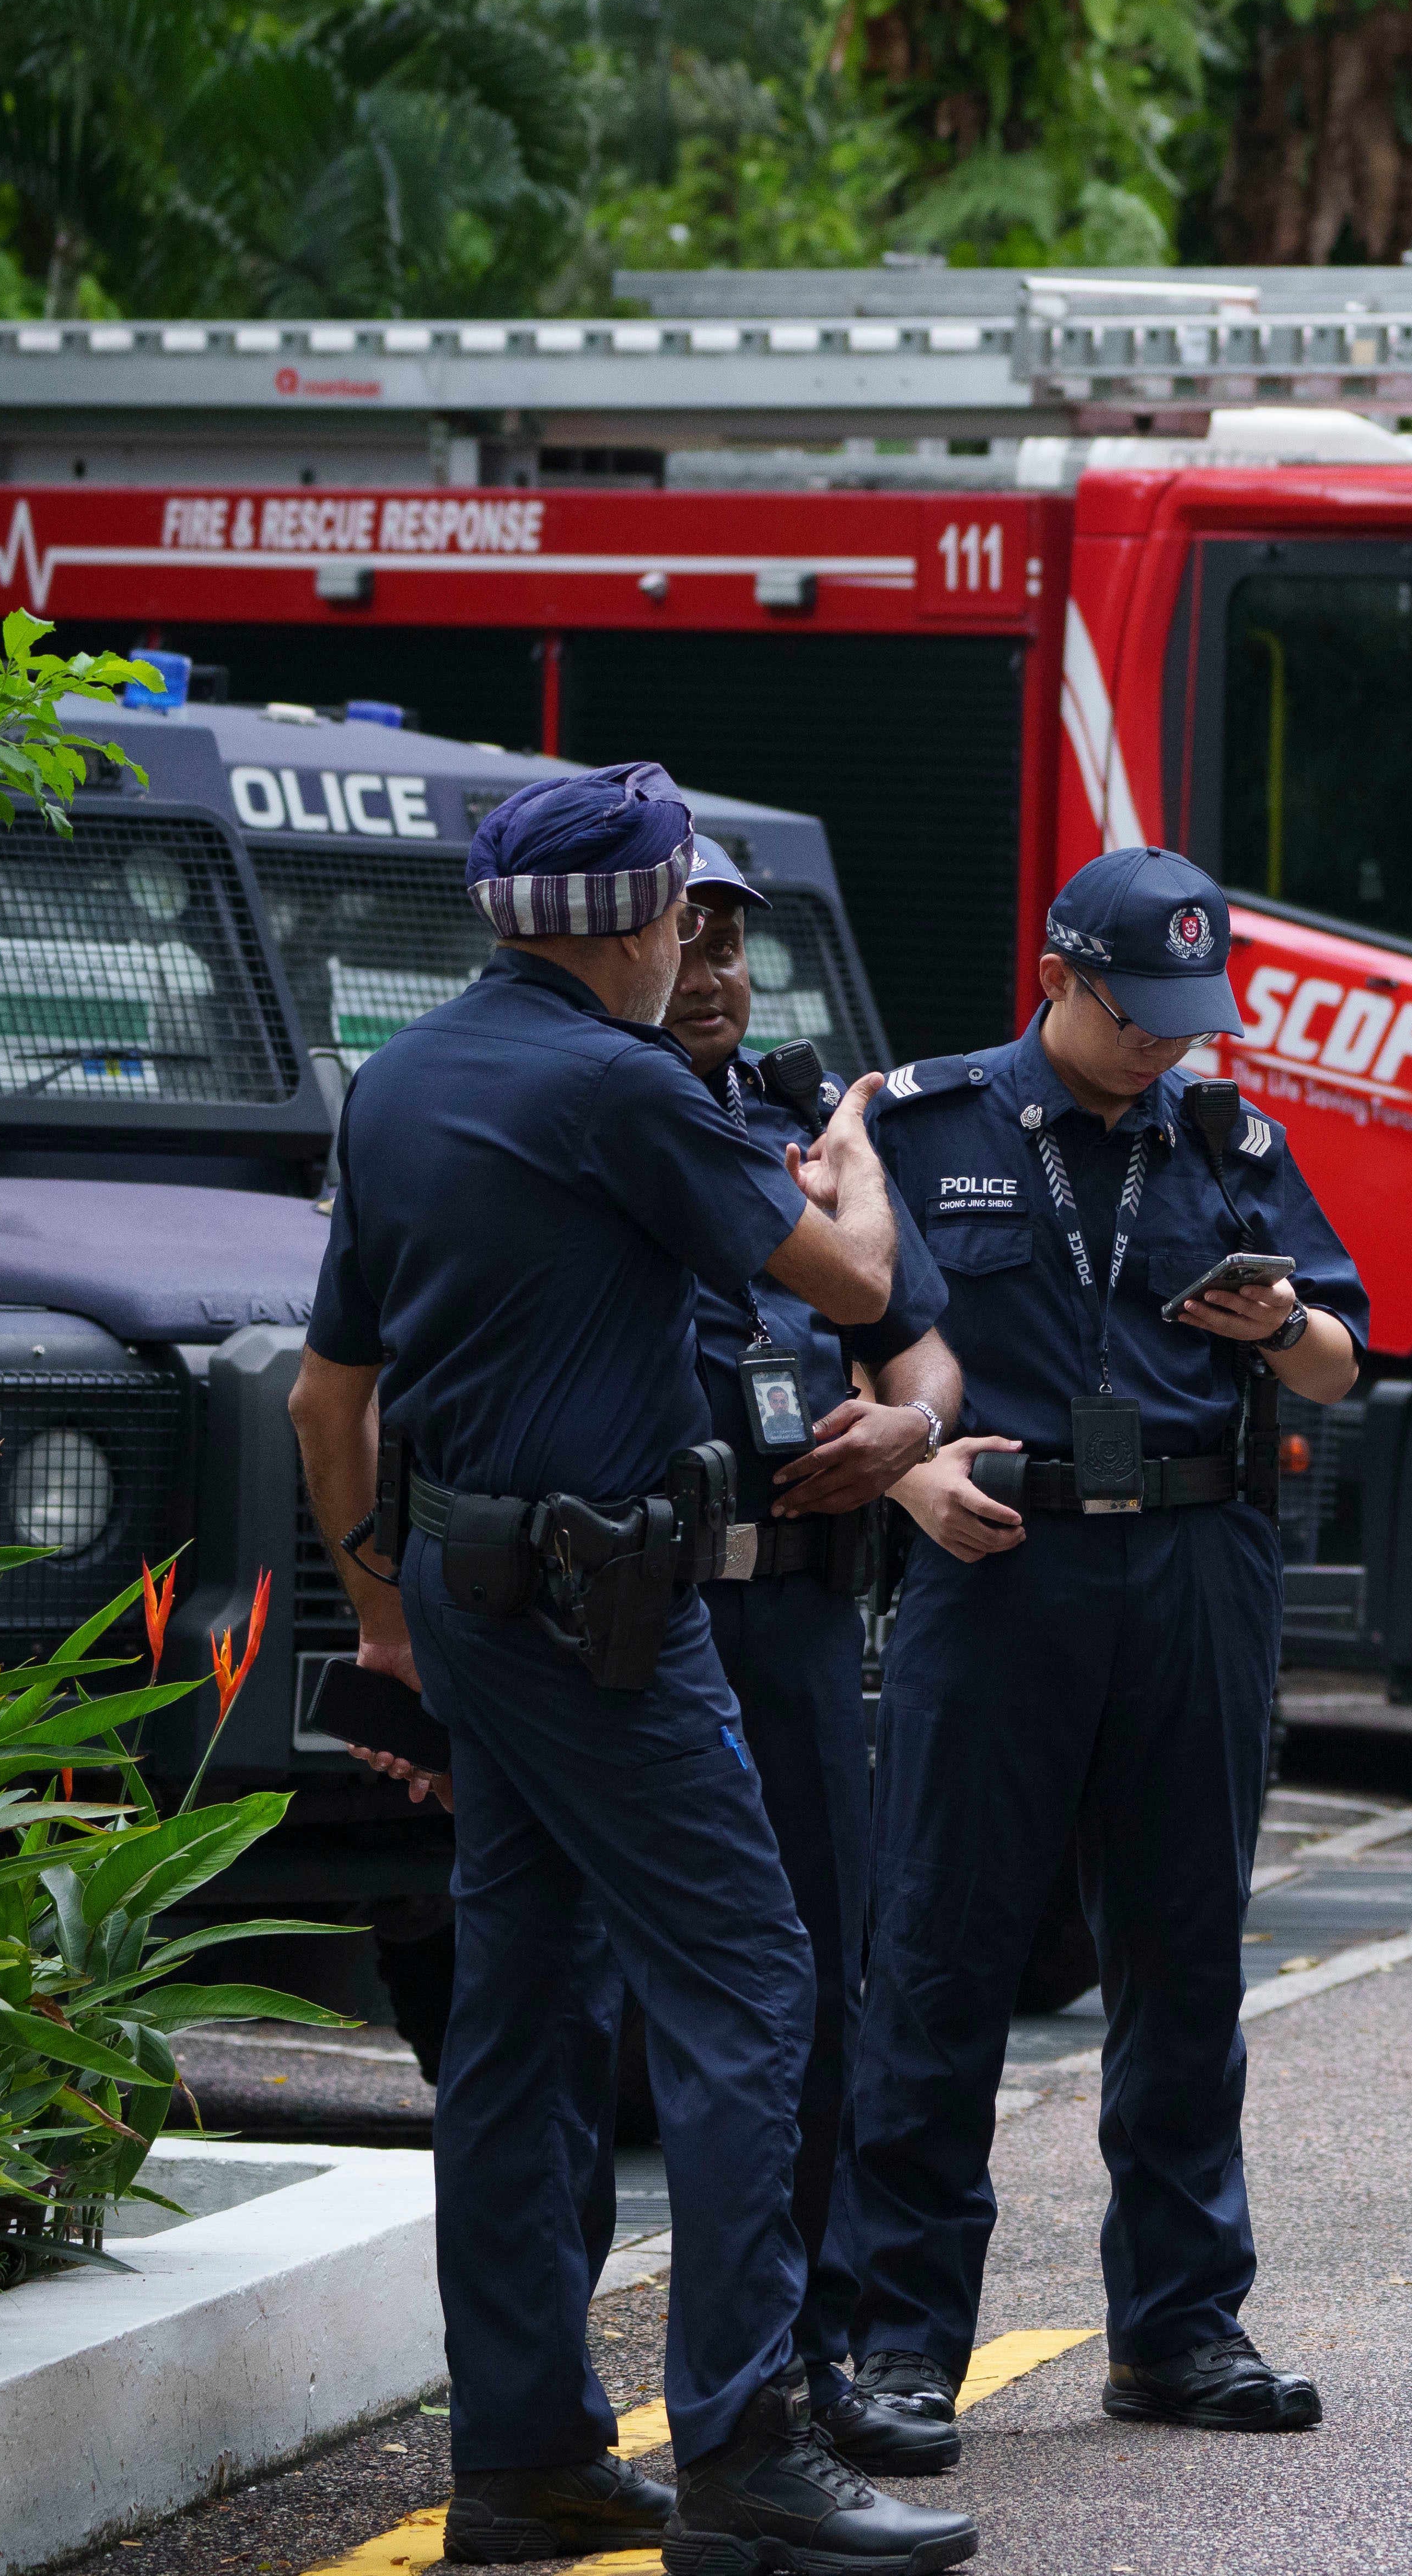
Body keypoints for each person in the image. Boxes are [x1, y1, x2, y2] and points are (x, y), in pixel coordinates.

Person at [286, 765, 974, 2574]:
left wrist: (385, 1623)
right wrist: (857, 1176)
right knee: (750, 1991)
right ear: (651, 917)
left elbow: (324, 1396)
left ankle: (526, 2461)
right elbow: (844, 1287)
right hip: (610, 1617)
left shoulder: (403, 1081)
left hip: (468, 1597)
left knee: (519, 2019)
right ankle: (744, 2452)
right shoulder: (623, 1089)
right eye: (688, 906)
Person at [825, 846, 1368, 2450]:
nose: (1167, 1048)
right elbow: (816, 1331)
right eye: (1138, 1015)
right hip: (1000, 1560)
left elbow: (1343, 1366)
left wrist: (1277, 1328)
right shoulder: (919, 1128)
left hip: (1197, 1561)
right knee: (941, 1950)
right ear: (1056, 978)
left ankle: (1182, 2331)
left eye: (1190, 1019)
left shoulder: (1228, 1138)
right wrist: (911, 1469)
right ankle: (904, 2337)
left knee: (1186, 1950)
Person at [658, 839, 973, 2472]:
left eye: (732, 942)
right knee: (592, 2019)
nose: (713, 972)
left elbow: (916, 1340)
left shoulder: (799, 1121)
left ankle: (814, 2353)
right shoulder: (590, 1110)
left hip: (786, 1610)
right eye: (685, 936)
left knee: (820, 1991)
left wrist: (905, 1428)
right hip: (627, 1614)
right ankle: (566, 2409)